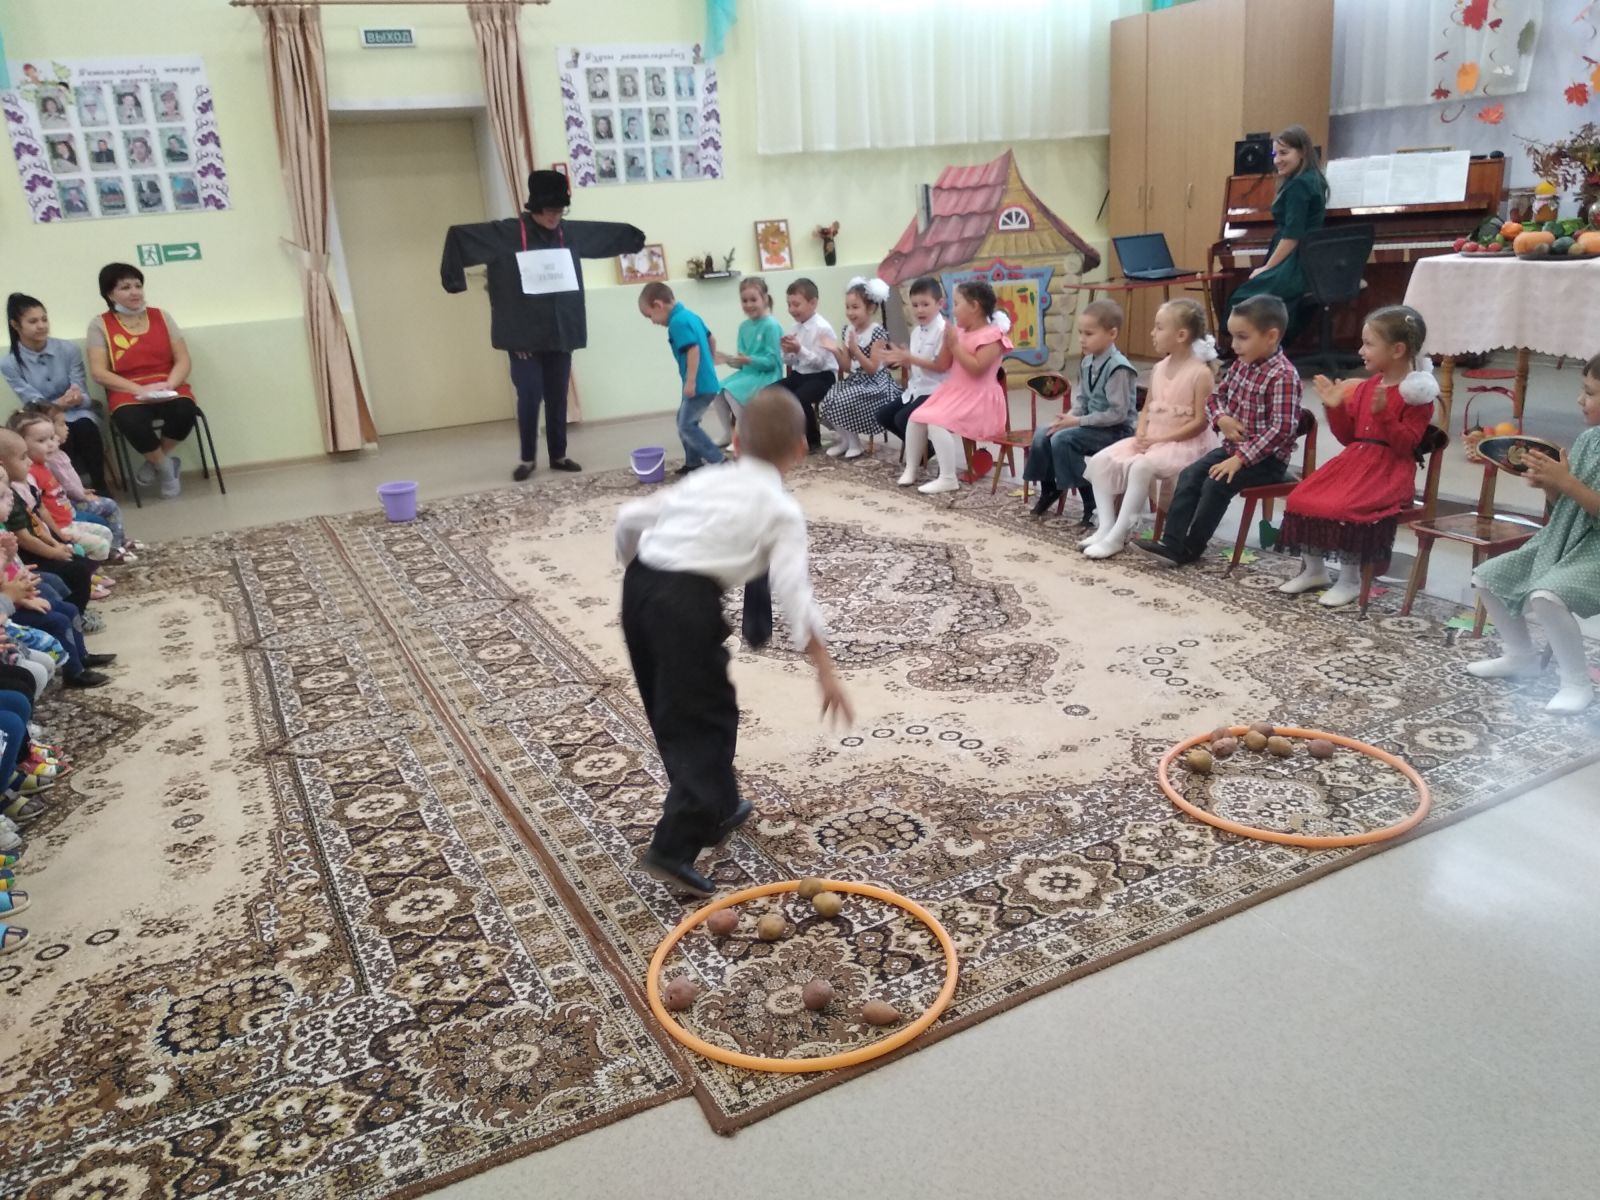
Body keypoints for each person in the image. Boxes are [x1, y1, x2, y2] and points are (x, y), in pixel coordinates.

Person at [614, 387, 852, 895]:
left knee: (671, 706)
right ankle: (672, 848)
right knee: (707, 720)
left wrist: (638, 571)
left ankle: (718, 806)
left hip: (640, 586)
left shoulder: (708, 477)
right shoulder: (781, 509)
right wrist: (826, 671)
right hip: (685, 605)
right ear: (801, 450)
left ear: (737, 439)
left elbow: (629, 518)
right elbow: (795, 594)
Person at [441, 169, 645, 480]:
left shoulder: (567, 233)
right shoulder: (506, 234)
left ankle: (559, 455)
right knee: (530, 394)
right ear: (535, 207)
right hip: (522, 336)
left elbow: (604, 234)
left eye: (560, 211)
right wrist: (454, 280)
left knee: (557, 395)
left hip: (560, 331)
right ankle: (527, 459)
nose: (554, 217)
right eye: (549, 211)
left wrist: (634, 240)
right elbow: (459, 237)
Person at [1277, 305, 1438, 606]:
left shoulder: (1417, 396)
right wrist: (1335, 406)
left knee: (1345, 506)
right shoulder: (1367, 387)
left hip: (1388, 471)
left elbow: (1405, 445)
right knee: (1301, 497)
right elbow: (1348, 438)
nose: (1361, 351)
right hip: (1355, 461)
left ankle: (1350, 580)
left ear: (1397, 350)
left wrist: (1385, 415)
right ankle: (1314, 571)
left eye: (1368, 344)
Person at [1466, 355, 1600, 715]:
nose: (1580, 399)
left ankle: (1576, 683)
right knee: (1487, 578)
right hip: (1564, 536)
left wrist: (1565, 482)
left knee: (1547, 597)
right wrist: (1550, 485)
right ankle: (1520, 656)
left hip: (1594, 550)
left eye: (1590, 393)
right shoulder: (1590, 440)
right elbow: (1565, 506)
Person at [1134, 295, 1302, 567]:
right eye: (1232, 337)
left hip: (1266, 461)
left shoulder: (1283, 376)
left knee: (1216, 484)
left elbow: (1281, 429)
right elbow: (1215, 398)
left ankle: (1192, 548)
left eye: (1242, 337)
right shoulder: (1241, 365)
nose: (1234, 345)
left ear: (1271, 336)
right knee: (1190, 475)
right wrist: (1222, 418)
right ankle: (1171, 543)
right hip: (1232, 449)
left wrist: (1241, 459)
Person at [1081, 299, 1219, 559]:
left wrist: (1160, 438)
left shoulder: (1200, 373)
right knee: (1100, 461)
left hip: (1185, 445)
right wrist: (1142, 431)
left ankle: (1118, 536)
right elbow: (1147, 407)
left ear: (1181, 335)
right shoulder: (1158, 368)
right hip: (1154, 439)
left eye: (1159, 327)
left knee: (1141, 467)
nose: (1152, 333)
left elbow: (1200, 422)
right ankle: (1106, 528)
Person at [84, 263, 199, 498]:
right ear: (109, 294)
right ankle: (166, 468)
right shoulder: (99, 324)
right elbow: (99, 372)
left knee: (185, 411)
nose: (135, 292)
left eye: (138, 285)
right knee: (130, 419)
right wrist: (141, 389)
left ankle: (154, 462)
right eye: (125, 287)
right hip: (127, 389)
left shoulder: (162, 316)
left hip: (167, 384)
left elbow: (183, 360)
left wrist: (169, 384)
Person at [1025, 299, 1137, 524]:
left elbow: (1117, 414)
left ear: (1112, 333)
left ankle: (1090, 501)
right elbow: (1083, 399)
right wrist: (1069, 418)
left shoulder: (1119, 368)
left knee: (1064, 440)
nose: (1082, 339)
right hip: (1092, 426)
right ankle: (1050, 488)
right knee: (1044, 433)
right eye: (1080, 333)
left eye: (1089, 333)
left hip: (1117, 431)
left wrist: (1077, 422)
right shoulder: (1087, 363)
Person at [899, 281, 1013, 494]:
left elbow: (977, 369)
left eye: (957, 304)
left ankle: (948, 478)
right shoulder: (957, 332)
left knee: (936, 423)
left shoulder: (993, 337)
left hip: (979, 398)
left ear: (974, 306)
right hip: (954, 392)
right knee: (916, 417)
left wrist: (954, 345)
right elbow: (943, 364)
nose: (953, 310)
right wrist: (947, 343)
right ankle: (911, 468)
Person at [2, 294, 107, 493]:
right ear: (15, 325)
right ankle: (66, 491)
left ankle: (100, 487)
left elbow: (81, 391)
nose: (41, 326)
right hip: (43, 417)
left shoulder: (68, 349)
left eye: (44, 319)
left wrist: (77, 397)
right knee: (53, 433)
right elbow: (33, 403)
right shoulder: (9, 363)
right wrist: (58, 405)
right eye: (33, 321)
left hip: (78, 410)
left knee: (85, 426)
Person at [1226, 125, 1327, 320]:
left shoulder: (1299, 185)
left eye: (1284, 153)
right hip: (1308, 258)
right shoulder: (1313, 178)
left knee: (1241, 300)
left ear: (1302, 152)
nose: (1277, 160)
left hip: (1296, 262)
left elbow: (1292, 236)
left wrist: (1267, 268)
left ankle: (1263, 338)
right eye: (1275, 154)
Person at [638, 282, 724, 475]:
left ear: (658, 305)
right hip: (706, 381)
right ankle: (693, 462)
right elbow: (711, 339)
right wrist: (710, 362)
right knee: (685, 421)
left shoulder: (677, 323)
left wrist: (691, 381)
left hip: (698, 384)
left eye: (650, 316)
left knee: (686, 425)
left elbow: (692, 349)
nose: (652, 321)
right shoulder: (691, 316)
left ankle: (719, 460)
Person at [9, 410, 111, 561]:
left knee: (106, 533)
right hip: (58, 527)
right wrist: (57, 535)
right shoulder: (29, 475)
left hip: (67, 520)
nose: (51, 444)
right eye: (41, 441)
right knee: (100, 545)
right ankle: (93, 569)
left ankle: (96, 562)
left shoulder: (45, 465)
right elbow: (37, 512)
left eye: (52, 438)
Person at [818, 277, 898, 460]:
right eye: (847, 307)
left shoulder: (877, 332)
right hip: (856, 380)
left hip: (876, 384)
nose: (850, 312)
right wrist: (835, 351)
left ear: (870, 308)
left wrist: (856, 350)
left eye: (855, 307)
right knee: (829, 398)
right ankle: (846, 441)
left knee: (843, 399)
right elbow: (846, 367)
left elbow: (872, 369)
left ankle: (856, 444)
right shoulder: (848, 330)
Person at [46, 409, 132, 559]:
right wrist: (83, 496)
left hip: (73, 497)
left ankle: (119, 539)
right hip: (70, 503)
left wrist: (82, 490)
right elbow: (67, 486)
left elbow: (70, 481)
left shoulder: (60, 455)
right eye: (62, 424)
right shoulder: (53, 460)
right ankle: (116, 546)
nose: (67, 428)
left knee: (105, 506)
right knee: (110, 506)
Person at [709, 277, 784, 448]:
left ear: (764, 299)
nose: (749, 305)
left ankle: (744, 435)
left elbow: (772, 362)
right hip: (748, 374)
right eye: (744, 300)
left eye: (753, 300)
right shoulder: (744, 327)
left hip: (767, 376)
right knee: (717, 389)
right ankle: (728, 434)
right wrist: (727, 359)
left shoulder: (771, 326)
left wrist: (749, 360)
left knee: (731, 391)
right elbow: (742, 362)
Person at [879, 276, 951, 446]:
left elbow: (941, 366)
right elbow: (917, 366)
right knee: (883, 416)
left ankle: (923, 451)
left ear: (940, 303)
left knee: (902, 419)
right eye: (915, 305)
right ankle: (927, 449)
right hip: (916, 389)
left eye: (925, 304)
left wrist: (910, 358)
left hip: (936, 391)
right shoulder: (916, 332)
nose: (920, 310)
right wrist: (903, 361)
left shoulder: (944, 331)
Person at [778, 278, 838, 453]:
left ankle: (813, 440)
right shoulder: (795, 327)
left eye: (796, 304)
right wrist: (787, 351)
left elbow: (820, 362)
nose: (791, 309)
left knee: (799, 398)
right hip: (800, 374)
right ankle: (786, 436)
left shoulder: (823, 328)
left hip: (823, 376)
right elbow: (790, 362)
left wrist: (799, 349)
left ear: (813, 303)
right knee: (770, 393)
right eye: (789, 305)